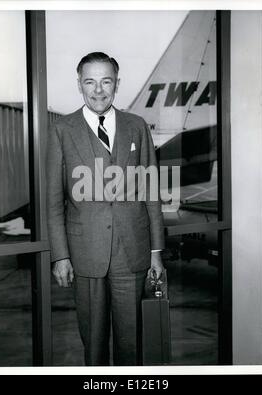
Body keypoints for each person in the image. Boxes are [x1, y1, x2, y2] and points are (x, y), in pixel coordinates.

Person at [46, 52, 165, 366]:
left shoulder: (137, 126)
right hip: (85, 255)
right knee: (94, 346)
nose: (98, 90)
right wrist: (60, 255)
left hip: (133, 253)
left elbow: (150, 192)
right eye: (90, 81)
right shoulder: (62, 129)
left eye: (106, 81)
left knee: (132, 343)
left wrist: (156, 251)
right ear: (79, 85)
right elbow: (54, 201)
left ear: (117, 84)